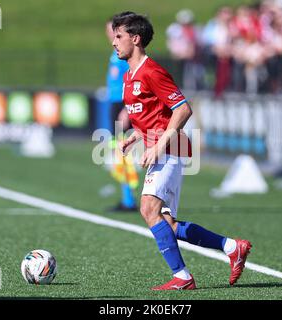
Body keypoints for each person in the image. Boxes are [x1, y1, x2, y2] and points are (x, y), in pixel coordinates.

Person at [111, 11, 252, 290]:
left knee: (147, 209)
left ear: (135, 39)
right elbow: (156, 117)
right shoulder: (129, 77)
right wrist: (136, 136)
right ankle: (232, 247)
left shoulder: (152, 71)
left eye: (119, 36)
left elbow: (183, 109)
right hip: (162, 148)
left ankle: (183, 277)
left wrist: (158, 147)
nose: (113, 42)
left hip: (171, 148)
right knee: (167, 224)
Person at [105, 18, 138, 212]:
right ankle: (127, 197)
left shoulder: (126, 55)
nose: (111, 34)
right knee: (118, 152)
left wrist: (127, 107)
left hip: (122, 105)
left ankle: (130, 199)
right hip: (115, 104)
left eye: (115, 31)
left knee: (124, 151)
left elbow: (133, 80)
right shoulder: (115, 52)